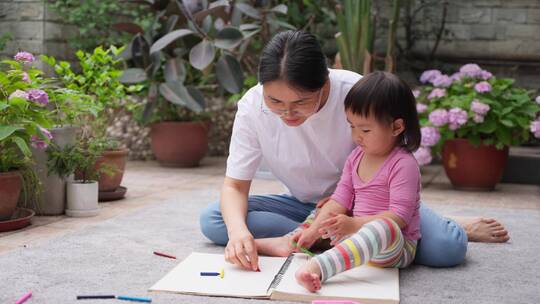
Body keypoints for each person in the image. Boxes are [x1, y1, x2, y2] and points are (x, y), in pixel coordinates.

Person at [199, 30, 509, 272]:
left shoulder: (357, 95)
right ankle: (322, 238)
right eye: (276, 102)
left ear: (325, 82)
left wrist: (346, 215)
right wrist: (239, 233)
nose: (287, 114)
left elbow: (394, 165)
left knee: (446, 248)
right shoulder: (252, 107)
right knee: (216, 220)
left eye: (300, 102)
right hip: (303, 205)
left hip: (370, 204)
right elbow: (235, 186)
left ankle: (440, 223)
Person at [293, 71, 421, 292]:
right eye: (351, 126)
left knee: (385, 227)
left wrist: (353, 224)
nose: (356, 136)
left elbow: (399, 217)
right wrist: (314, 230)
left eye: (365, 129)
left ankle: (320, 266)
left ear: (397, 127)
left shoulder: (403, 164)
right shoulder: (355, 158)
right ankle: (291, 241)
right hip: (354, 236)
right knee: (324, 209)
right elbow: (339, 200)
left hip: (394, 246)